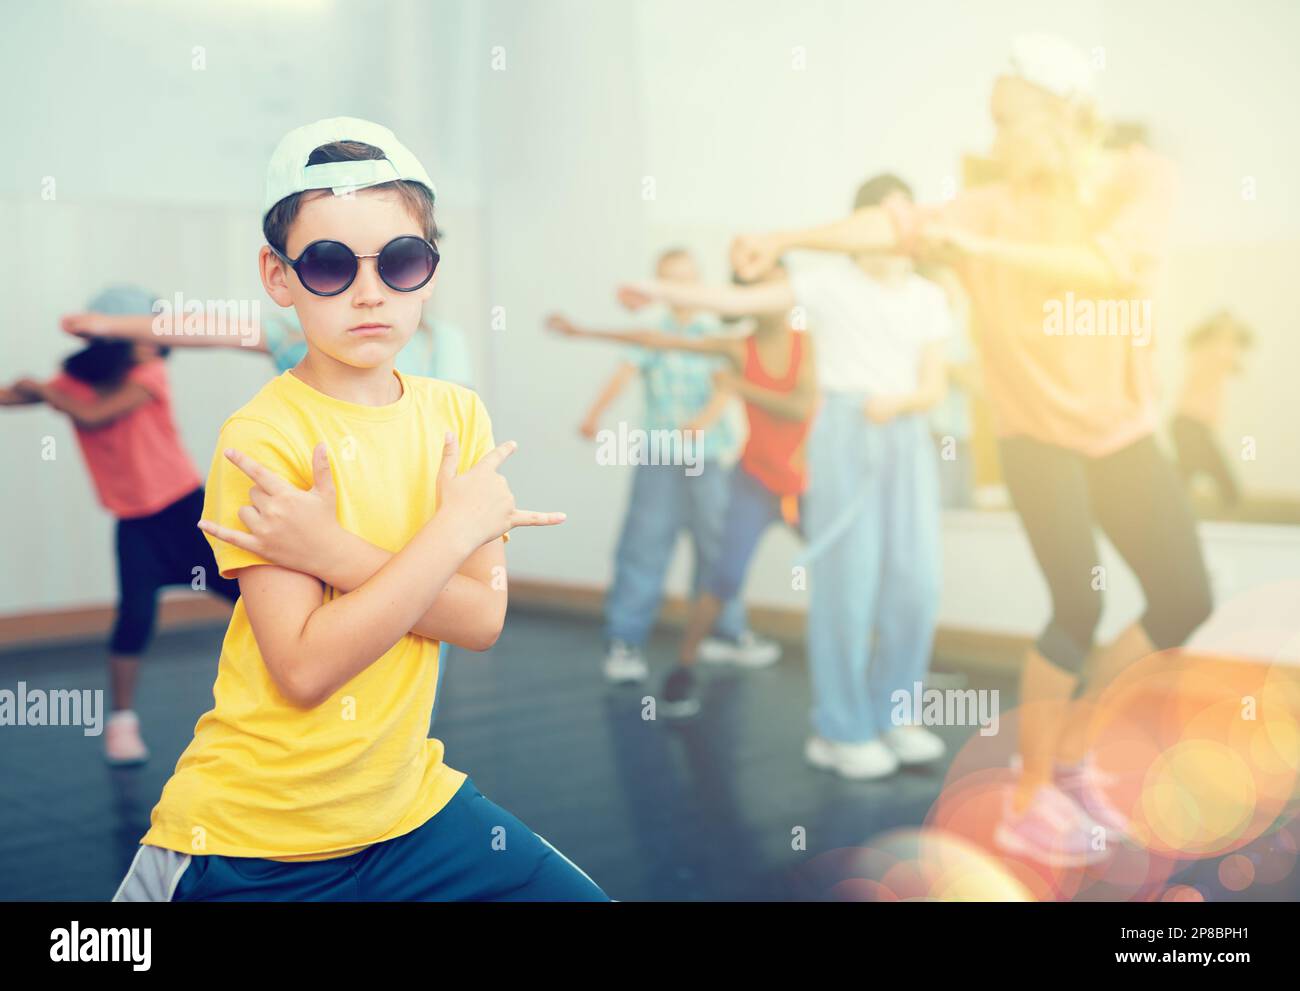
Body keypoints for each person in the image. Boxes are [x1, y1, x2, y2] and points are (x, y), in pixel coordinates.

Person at [730, 35, 1213, 865]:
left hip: (1124, 430)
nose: (993, 140)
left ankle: (1075, 737)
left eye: (1006, 120)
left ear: (1062, 114)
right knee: (1077, 605)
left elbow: (1113, 267)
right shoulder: (988, 206)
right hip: (1034, 438)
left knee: (1184, 600)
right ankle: (1034, 799)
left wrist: (986, 252)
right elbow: (894, 223)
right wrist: (787, 235)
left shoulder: (1140, 177)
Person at [112, 117, 607, 901]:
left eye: (401, 261)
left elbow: (481, 622)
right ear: (278, 278)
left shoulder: (459, 415)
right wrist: (453, 531)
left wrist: (332, 553)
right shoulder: (263, 436)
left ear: (430, 270)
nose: (370, 292)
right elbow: (306, 668)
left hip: (409, 811)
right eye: (330, 265)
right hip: (251, 839)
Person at [553, 263, 817, 717]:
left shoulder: (755, 337)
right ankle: (639, 649)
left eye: (688, 277)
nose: (681, 285)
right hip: (687, 461)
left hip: (728, 461)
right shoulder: (691, 334)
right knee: (660, 550)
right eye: (670, 277)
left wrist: (710, 417)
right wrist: (584, 334)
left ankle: (728, 635)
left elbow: (764, 397)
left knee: (723, 550)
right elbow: (646, 350)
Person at [1, 285, 240, 766]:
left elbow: (94, 415)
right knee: (134, 617)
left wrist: (42, 389)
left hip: (183, 512)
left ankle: (274, 704)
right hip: (135, 524)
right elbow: (18, 398)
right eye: (149, 326)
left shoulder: (149, 373)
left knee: (248, 596)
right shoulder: (75, 383)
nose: (159, 336)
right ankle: (121, 725)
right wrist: (28, 390)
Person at [1170, 309, 1253, 509]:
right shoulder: (1210, 350)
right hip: (1191, 425)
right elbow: (1238, 354)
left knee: (1185, 475)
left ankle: (1167, 509)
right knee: (1224, 483)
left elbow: (1241, 353)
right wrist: (1227, 328)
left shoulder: (1210, 350)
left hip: (1192, 425)